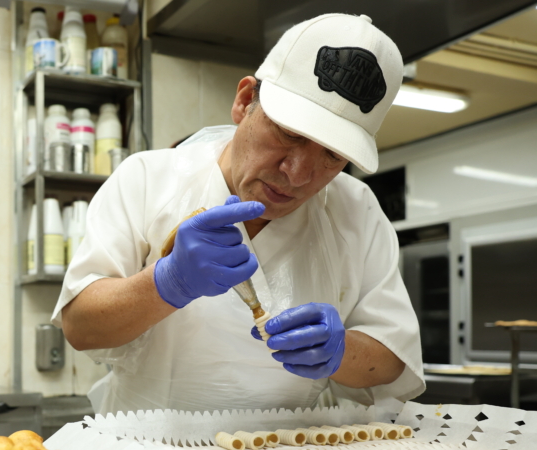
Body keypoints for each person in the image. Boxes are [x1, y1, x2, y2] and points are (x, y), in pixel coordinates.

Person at [53, 13, 426, 415]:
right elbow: (81, 327)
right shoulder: (148, 179)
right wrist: (166, 283)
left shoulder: (357, 211)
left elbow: (391, 358)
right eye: (289, 134)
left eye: (332, 155)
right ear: (245, 100)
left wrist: (340, 352)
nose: (298, 174)